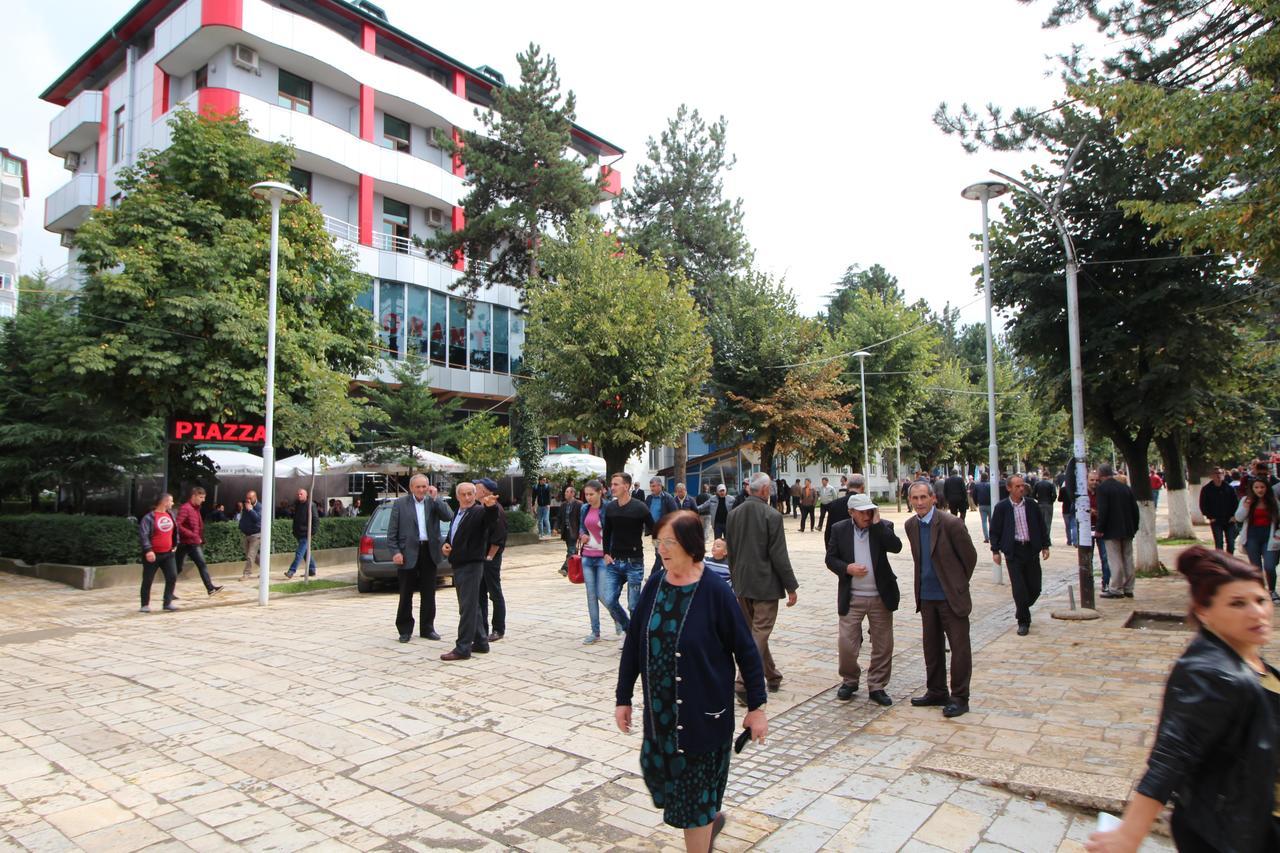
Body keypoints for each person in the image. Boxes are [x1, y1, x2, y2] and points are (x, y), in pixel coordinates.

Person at [1085, 546, 1279, 853]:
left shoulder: (1244, 655)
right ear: (1204, 612)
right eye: (1238, 604)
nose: (1257, 612)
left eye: (1260, 599)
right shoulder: (1211, 674)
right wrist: (1129, 835)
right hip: (1227, 835)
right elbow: (1170, 756)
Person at [615, 510, 768, 853]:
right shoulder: (656, 585)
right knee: (670, 788)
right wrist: (623, 697)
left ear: (690, 544)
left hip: (703, 720)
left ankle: (702, 831)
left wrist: (757, 707)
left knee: (692, 802)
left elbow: (747, 651)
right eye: (658, 542)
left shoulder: (715, 591)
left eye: (669, 542)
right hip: (661, 718)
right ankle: (708, 822)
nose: (662, 550)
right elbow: (634, 644)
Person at [904, 480, 978, 718]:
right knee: (932, 647)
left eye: (923, 497)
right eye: (914, 498)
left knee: (959, 648)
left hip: (950, 597)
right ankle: (936, 690)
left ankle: (959, 697)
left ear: (933, 498)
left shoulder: (951, 523)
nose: (919, 503)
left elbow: (970, 557)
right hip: (926, 596)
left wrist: (956, 584)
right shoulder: (910, 525)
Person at [725, 473, 799, 699]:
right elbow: (779, 555)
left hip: (742, 583)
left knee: (755, 633)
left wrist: (735, 578)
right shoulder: (772, 515)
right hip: (765, 585)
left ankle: (772, 675)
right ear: (765, 490)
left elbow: (731, 551)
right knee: (759, 633)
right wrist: (791, 587)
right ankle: (743, 681)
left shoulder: (733, 514)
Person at [825, 493, 901, 706]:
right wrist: (846, 568)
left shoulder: (883, 526)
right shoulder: (840, 529)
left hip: (880, 596)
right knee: (847, 644)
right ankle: (850, 680)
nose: (867, 515)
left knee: (883, 644)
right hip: (853, 596)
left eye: (870, 510)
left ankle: (877, 685)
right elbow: (830, 559)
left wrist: (878, 525)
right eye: (862, 512)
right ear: (851, 513)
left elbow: (896, 547)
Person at [387, 474, 453, 643]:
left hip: (429, 551)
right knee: (406, 593)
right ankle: (404, 629)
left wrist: (436, 498)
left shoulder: (433, 501)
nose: (422, 490)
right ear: (411, 488)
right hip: (407, 552)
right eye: (418, 487)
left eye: (424, 486)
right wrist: (395, 551)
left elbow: (448, 516)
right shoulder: (400, 504)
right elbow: (392, 531)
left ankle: (427, 628)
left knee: (429, 593)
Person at [439, 482, 499, 661]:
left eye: (470, 494)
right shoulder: (457, 513)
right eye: (463, 494)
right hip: (458, 563)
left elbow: (490, 520)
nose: (466, 498)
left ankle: (463, 647)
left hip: (472, 564)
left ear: (475, 495)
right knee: (472, 605)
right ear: (457, 496)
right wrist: (446, 545)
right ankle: (481, 641)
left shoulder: (479, 511)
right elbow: (453, 534)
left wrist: (491, 507)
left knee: (467, 607)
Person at [989, 474, 1050, 636]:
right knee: (1019, 588)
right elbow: (995, 530)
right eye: (1017, 486)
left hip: (1031, 550)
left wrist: (1045, 545)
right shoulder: (1002, 507)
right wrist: (995, 551)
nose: (1021, 488)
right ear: (1009, 488)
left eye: (1022, 485)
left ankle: (1021, 608)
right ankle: (1023, 621)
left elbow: (1041, 525)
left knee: (1035, 587)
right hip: (1013, 552)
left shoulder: (1031, 505)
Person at [602, 472, 655, 649]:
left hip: (634, 562)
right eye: (612, 484)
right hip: (614, 562)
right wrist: (606, 553)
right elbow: (607, 532)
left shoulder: (640, 507)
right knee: (609, 600)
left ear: (626, 486)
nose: (612, 487)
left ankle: (638, 636)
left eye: (616, 484)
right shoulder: (610, 508)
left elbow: (654, 528)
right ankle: (629, 631)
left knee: (633, 605)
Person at [578, 480, 627, 644]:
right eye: (586, 494)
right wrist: (582, 534)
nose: (588, 498)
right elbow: (581, 528)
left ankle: (618, 618)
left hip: (603, 557)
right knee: (591, 595)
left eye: (591, 494)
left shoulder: (608, 508)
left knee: (604, 594)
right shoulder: (584, 508)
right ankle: (595, 631)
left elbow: (613, 531)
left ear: (600, 492)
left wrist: (611, 552)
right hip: (587, 556)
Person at [1097, 463, 1141, 600]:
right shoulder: (1125, 488)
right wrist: (1134, 527)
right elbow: (1135, 510)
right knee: (1128, 558)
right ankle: (1129, 588)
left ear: (1100, 474)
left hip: (1111, 529)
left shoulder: (1103, 489)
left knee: (1115, 559)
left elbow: (1103, 511)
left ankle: (1116, 588)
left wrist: (1100, 529)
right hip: (1128, 529)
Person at [474, 478, 509, 643]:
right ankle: (482, 627)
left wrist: (489, 557)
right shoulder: (480, 508)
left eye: (477, 487)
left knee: (494, 592)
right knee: (480, 593)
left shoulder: (497, 510)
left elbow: (498, 538)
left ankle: (498, 628)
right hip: (480, 557)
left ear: (485, 491)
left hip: (490, 558)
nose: (475, 489)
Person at [1235, 477, 1280, 600]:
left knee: (1270, 566)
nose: (1259, 490)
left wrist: (1278, 534)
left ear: (1267, 488)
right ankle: (1259, 592)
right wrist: (1246, 507)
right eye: (1256, 487)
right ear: (1252, 489)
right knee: (1255, 567)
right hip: (1252, 537)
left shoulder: (1273, 501)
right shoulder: (1246, 500)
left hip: (1269, 536)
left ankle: (1272, 591)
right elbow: (1238, 518)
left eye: (1262, 487)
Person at [175, 487, 222, 597]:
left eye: (204, 497)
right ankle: (168, 591)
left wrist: (200, 538)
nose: (203, 500)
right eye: (201, 497)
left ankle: (210, 588)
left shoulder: (196, 509)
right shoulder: (186, 508)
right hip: (185, 542)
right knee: (178, 567)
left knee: (201, 564)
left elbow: (198, 526)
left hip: (193, 542)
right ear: (194, 496)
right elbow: (178, 524)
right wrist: (192, 535)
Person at [139, 493, 180, 613]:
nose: (172, 503)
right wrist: (148, 550)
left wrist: (175, 544)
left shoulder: (170, 515)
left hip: (168, 553)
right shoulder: (149, 517)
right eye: (171, 501)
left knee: (172, 576)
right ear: (164, 502)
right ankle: (144, 604)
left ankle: (167, 602)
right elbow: (144, 535)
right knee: (148, 579)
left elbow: (175, 532)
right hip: (153, 554)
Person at [1200, 466, 1240, 556]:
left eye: (1220, 473)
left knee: (1231, 542)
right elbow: (1203, 505)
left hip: (1229, 519)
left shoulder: (1229, 488)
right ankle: (1221, 560)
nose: (1218, 476)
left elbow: (1235, 502)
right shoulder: (1207, 489)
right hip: (1216, 520)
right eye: (1216, 474)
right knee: (1219, 542)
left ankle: (1230, 559)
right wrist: (1210, 517)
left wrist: (1234, 516)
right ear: (1211, 476)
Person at [283, 488, 320, 579]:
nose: (299, 495)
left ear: (306, 495)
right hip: (299, 533)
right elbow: (296, 519)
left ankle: (291, 571)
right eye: (298, 494)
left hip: (306, 533)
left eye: (301, 494)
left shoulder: (311, 505)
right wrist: (294, 531)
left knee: (299, 553)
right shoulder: (298, 505)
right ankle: (311, 569)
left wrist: (312, 532)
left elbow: (315, 519)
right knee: (306, 552)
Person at [646, 477, 680, 574]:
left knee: (660, 554)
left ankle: (654, 575)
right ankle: (668, 573)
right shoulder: (649, 498)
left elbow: (675, 514)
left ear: (660, 486)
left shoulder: (667, 498)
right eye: (650, 486)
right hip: (655, 532)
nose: (651, 488)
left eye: (653, 486)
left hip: (665, 532)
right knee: (660, 553)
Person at [558, 485, 583, 578]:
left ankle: (565, 568)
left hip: (575, 531)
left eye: (567, 492)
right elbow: (559, 517)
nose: (565, 494)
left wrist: (582, 531)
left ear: (572, 493)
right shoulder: (563, 505)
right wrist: (556, 528)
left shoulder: (579, 504)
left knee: (571, 550)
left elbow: (582, 519)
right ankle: (574, 570)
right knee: (573, 551)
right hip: (566, 532)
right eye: (565, 492)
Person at [239, 490, 262, 581]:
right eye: (247, 498)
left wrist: (251, 510)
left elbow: (258, 519)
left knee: (250, 555)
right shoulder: (245, 506)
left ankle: (246, 574)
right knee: (251, 555)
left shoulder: (259, 507)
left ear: (255, 497)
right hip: (246, 534)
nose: (248, 500)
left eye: (250, 498)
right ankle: (265, 567)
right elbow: (244, 518)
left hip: (256, 535)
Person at [1032, 473, 1057, 545]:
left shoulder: (1037, 484)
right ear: (1048, 476)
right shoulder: (1051, 484)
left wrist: (1038, 499)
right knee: (1047, 523)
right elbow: (1054, 495)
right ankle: (1046, 540)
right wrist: (1051, 501)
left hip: (1040, 504)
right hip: (1048, 504)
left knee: (1039, 522)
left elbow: (1033, 494)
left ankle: (1040, 539)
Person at [973, 473, 993, 544]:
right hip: (990, 504)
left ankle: (986, 537)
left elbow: (974, 495)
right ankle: (992, 536)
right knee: (991, 521)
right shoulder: (991, 485)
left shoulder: (977, 485)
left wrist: (976, 503)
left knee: (984, 522)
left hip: (982, 505)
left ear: (981, 477)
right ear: (987, 477)